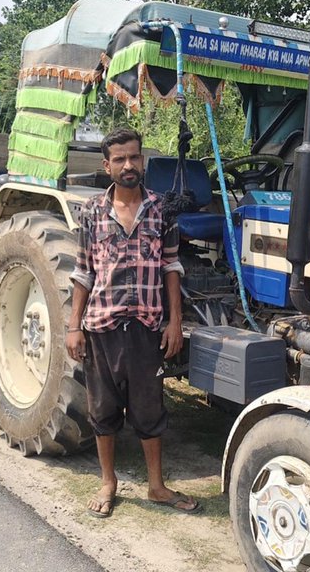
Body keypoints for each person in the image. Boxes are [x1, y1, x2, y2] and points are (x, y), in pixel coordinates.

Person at [67, 126, 200, 519]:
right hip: (102, 326)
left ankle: (156, 486)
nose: (129, 165)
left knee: (149, 409)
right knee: (103, 408)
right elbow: (82, 272)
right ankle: (108, 482)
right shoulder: (91, 211)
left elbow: (171, 266)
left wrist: (175, 321)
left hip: (146, 327)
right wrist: (74, 326)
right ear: (107, 166)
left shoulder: (161, 210)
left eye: (134, 157)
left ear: (142, 161)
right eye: (120, 159)